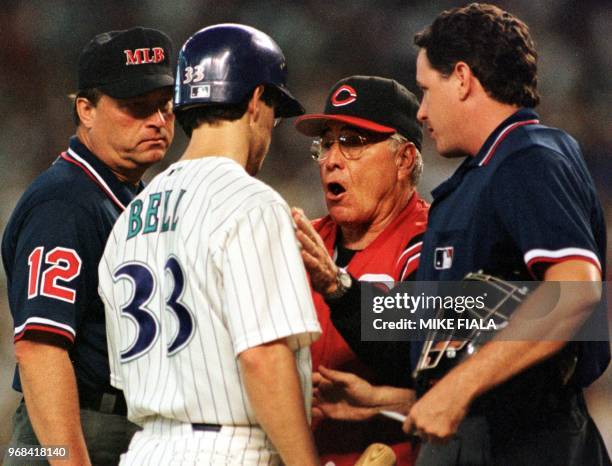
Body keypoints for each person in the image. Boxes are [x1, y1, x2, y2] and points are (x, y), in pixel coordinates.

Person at [315, 4, 611, 465]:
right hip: (491, 438)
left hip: (532, 445)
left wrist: (456, 388)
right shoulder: (478, 180)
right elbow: (468, 323)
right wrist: (381, 397)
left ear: (462, 78)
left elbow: (576, 291)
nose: (425, 110)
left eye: (426, 91)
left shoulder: (529, 157)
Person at [98, 24, 321, 466]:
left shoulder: (127, 219)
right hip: (231, 449)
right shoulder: (251, 202)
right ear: (257, 100)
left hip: (145, 449)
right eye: (274, 113)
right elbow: (262, 358)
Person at [1, 27, 175, 466]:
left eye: (164, 105)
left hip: (111, 425)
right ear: (86, 110)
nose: (157, 120)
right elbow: (39, 348)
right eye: (136, 107)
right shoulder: (65, 201)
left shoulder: (123, 194)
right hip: (66, 432)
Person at [292, 75, 429, 465]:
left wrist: (338, 287)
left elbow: (415, 356)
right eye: (326, 143)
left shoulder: (432, 243)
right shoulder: (302, 240)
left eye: (352, 142)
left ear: (403, 160)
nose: (332, 159)